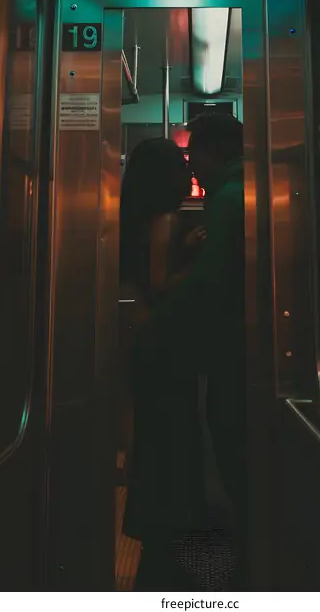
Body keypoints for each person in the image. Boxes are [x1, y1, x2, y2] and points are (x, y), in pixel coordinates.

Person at [156, 113, 247, 578]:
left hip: (231, 351)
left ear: (214, 152)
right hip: (239, 345)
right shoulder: (240, 191)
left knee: (228, 441)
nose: (191, 166)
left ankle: (235, 571)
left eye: (194, 155)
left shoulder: (229, 199)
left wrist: (158, 323)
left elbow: (209, 284)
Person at [119, 137, 205, 588]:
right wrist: (199, 266)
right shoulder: (166, 221)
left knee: (151, 440)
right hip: (164, 348)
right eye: (181, 166)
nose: (188, 174)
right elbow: (160, 284)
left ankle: (151, 533)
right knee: (172, 439)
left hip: (144, 350)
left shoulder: (132, 221)